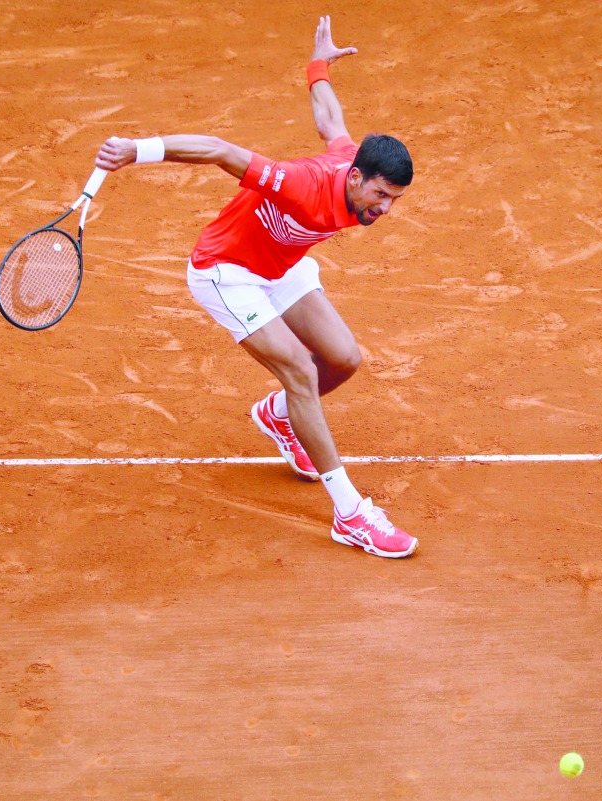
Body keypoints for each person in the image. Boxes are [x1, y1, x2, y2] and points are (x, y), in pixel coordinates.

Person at [94, 17, 418, 558]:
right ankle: (352, 514)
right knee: (298, 369)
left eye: (394, 202)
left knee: (342, 359)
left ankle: (279, 417)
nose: (384, 210)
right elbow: (221, 149)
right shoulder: (301, 186)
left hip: (282, 264)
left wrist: (319, 64)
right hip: (228, 271)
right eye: (381, 196)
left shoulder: (349, 159)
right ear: (357, 179)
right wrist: (138, 149)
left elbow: (329, 118)